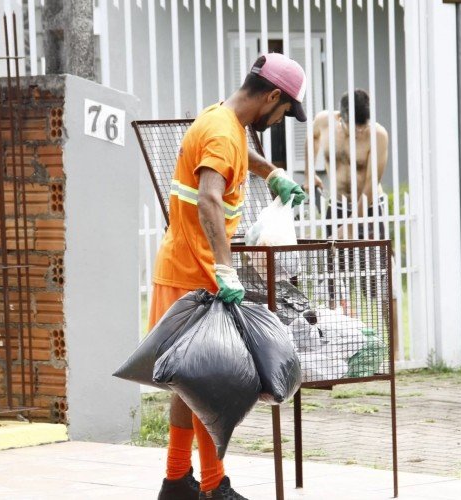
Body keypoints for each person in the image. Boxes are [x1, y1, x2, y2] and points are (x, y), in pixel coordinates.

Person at [153, 53, 307, 500]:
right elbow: (209, 201)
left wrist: (270, 171)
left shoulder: (222, 120)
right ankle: (211, 484)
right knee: (207, 379)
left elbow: (236, 151)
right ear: (272, 96)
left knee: (191, 380)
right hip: (195, 274)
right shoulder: (222, 131)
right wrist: (225, 268)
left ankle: (178, 480)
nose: (281, 121)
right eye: (283, 112)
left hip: (187, 268)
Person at [305, 89, 389, 240]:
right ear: (342, 118)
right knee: (336, 261)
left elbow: (371, 182)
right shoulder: (324, 122)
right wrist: (309, 174)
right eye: (356, 128)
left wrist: (350, 225)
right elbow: (312, 138)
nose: (360, 132)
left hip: (369, 206)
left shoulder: (378, 135)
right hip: (338, 203)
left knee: (375, 262)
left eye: (364, 126)